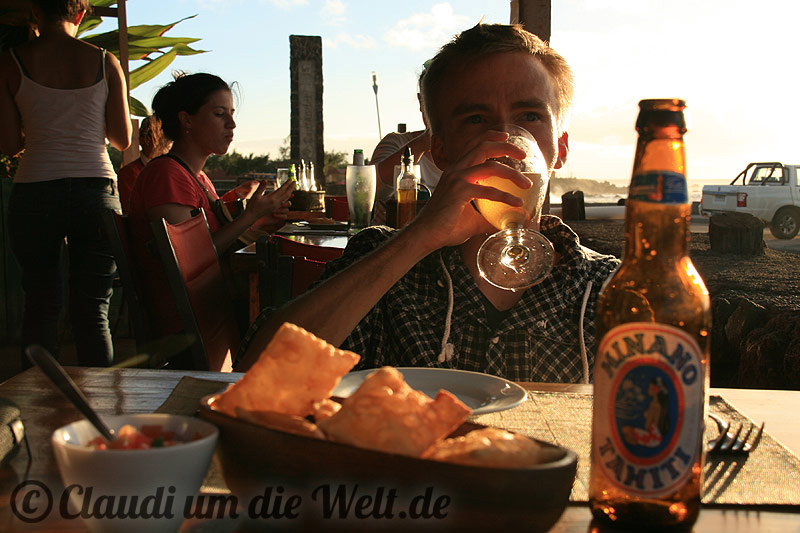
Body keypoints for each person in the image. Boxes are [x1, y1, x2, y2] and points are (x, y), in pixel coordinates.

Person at [237, 23, 620, 383]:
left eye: (530, 116)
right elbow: (258, 375)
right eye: (475, 119)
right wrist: (416, 239)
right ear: (439, 150)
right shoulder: (386, 265)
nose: (504, 140)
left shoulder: (607, 288)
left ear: (561, 148)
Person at [0, 0, 132, 367]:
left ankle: (35, 413)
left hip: (35, 188)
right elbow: (122, 139)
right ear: (80, 14)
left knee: (41, 305)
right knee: (93, 309)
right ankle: (100, 413)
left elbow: (9, 144)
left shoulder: (10, 62)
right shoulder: (106, 61)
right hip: (96, 189)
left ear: (35, 13)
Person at [128, 72, 295, 340]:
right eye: (220, 114)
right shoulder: (166, 176)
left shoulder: (198, 177)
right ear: (187, 120)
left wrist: (264, 218)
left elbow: (214, 242)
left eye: (231, 113)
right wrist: (250, 215)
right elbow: (187, 261)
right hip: (190, 322)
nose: (232, 124)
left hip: (212, 306)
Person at [117, 115, 171, 214]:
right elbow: (131, 213)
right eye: (145, 135)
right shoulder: (128, 174)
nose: (146, 139)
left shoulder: (173, 170)